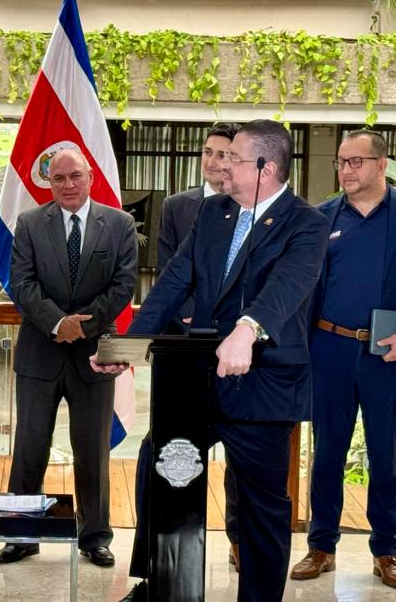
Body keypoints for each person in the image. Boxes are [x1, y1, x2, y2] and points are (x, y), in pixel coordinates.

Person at [99, 119, 329, 602]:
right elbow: (175, 280)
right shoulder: (213, 212)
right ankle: (158, 582)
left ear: (266, 167)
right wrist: (130, 345)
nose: (222, 166)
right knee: (160, 464)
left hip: (264, 386)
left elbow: (286, 286)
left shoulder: (305, 223)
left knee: (261, 508)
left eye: (234, 159)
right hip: (198, 382)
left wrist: (248, 330)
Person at [290, 130, 396, 589]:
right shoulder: (322, 216)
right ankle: (321, 546)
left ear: (382, 165)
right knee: (327, 454)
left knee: (385, 455)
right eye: (341, 162)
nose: (346, 170)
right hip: (330, 349)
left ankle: (385, 551)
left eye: (356, 161)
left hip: (389, 352)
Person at [0, 147, 137, 569]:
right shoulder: (30, 223)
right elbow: (22, 283)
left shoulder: (119, 224)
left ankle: (94, 537)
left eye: (75, 176)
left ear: (90, 176)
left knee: (92, 451)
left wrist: (82, 327)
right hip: (40, 353)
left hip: (94, 357)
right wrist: (58, 323)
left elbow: (123, 285)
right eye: (58, 178)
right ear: (49, 183)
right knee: (29, 448)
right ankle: (21, 535)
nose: (68, 185)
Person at [150, 122, 243, 572]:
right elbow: (167, 270)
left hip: (239, 354)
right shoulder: (177, 206)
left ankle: (239, 540)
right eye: (208, 152)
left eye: (224, 154)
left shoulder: (256, 210)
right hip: (184, 352)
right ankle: (162, 556)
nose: (213, 161)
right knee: (167, 452)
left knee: (240, 457)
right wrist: (192, 315)